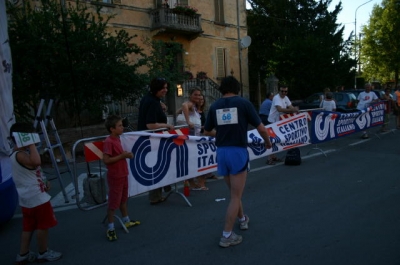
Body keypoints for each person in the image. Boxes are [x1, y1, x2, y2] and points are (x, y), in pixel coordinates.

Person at [203, 76, 272, 248]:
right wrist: (268, 142)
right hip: (237, 152)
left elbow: (206, 131)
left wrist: (222, 135)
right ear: (237, 88)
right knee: (235, 196)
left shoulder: (215, 105)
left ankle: (242, 219)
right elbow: (261, 128)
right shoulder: (243, 103)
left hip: (221, 152)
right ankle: (226, 235)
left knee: (235, 193)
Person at [9, 122, 62, 264]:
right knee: (42, 226)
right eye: (31, 137)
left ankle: (23, 253)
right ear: (23, 138)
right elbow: (36, 161)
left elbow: (32, 172)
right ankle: (43, 252)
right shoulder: (20, 155)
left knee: (28, 227)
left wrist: (44, 182)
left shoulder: (15, 154)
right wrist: (32, 145)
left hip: (27, 198)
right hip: (37, 198)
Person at [137, 77, 174, 205]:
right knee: (158, 166)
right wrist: (166, 126)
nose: (166, 90)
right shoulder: (152, 102)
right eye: (163, 88)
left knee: (157, 165)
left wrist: (160, 105)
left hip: (148, 139)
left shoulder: (150, 99)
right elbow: (150, 125)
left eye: (166, 87)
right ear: (156, 88)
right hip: (152, 139)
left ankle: (161, 190)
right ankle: (157, 193)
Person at [103, 115, 139, 241]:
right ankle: (111, 227)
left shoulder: (118, 139)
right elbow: (106, 160)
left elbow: (121, 154)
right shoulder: (109, 141)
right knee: (113, 202)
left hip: (123, 174)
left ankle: (126, 219)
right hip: (115, 176)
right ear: (112, 129)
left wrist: (128, 155)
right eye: (119, 125)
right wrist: (122, 156)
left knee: (124, 198)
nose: (122, 127)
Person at [176, 87, 206, 190]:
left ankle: (193, 183)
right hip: (191, 139)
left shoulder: (194, 106)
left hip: (194, 137)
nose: (197, 97)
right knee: (195, 161)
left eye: (199, 95)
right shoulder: (190, 104)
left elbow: (178, 111)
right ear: (190, 95)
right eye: (195, 95)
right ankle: (199, 184)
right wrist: (188, 121)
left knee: (192, 161)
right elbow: (184, 105)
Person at [259, 91, 280, 165]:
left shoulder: (265, 101)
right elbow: (278, 109)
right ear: (270, 97)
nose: (273, 97)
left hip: (263, 119)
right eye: (272, 96)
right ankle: (269, 158)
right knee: (271, 137)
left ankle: (273, 156)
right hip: (267, 119)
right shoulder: (269, 102)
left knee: (271, 137)